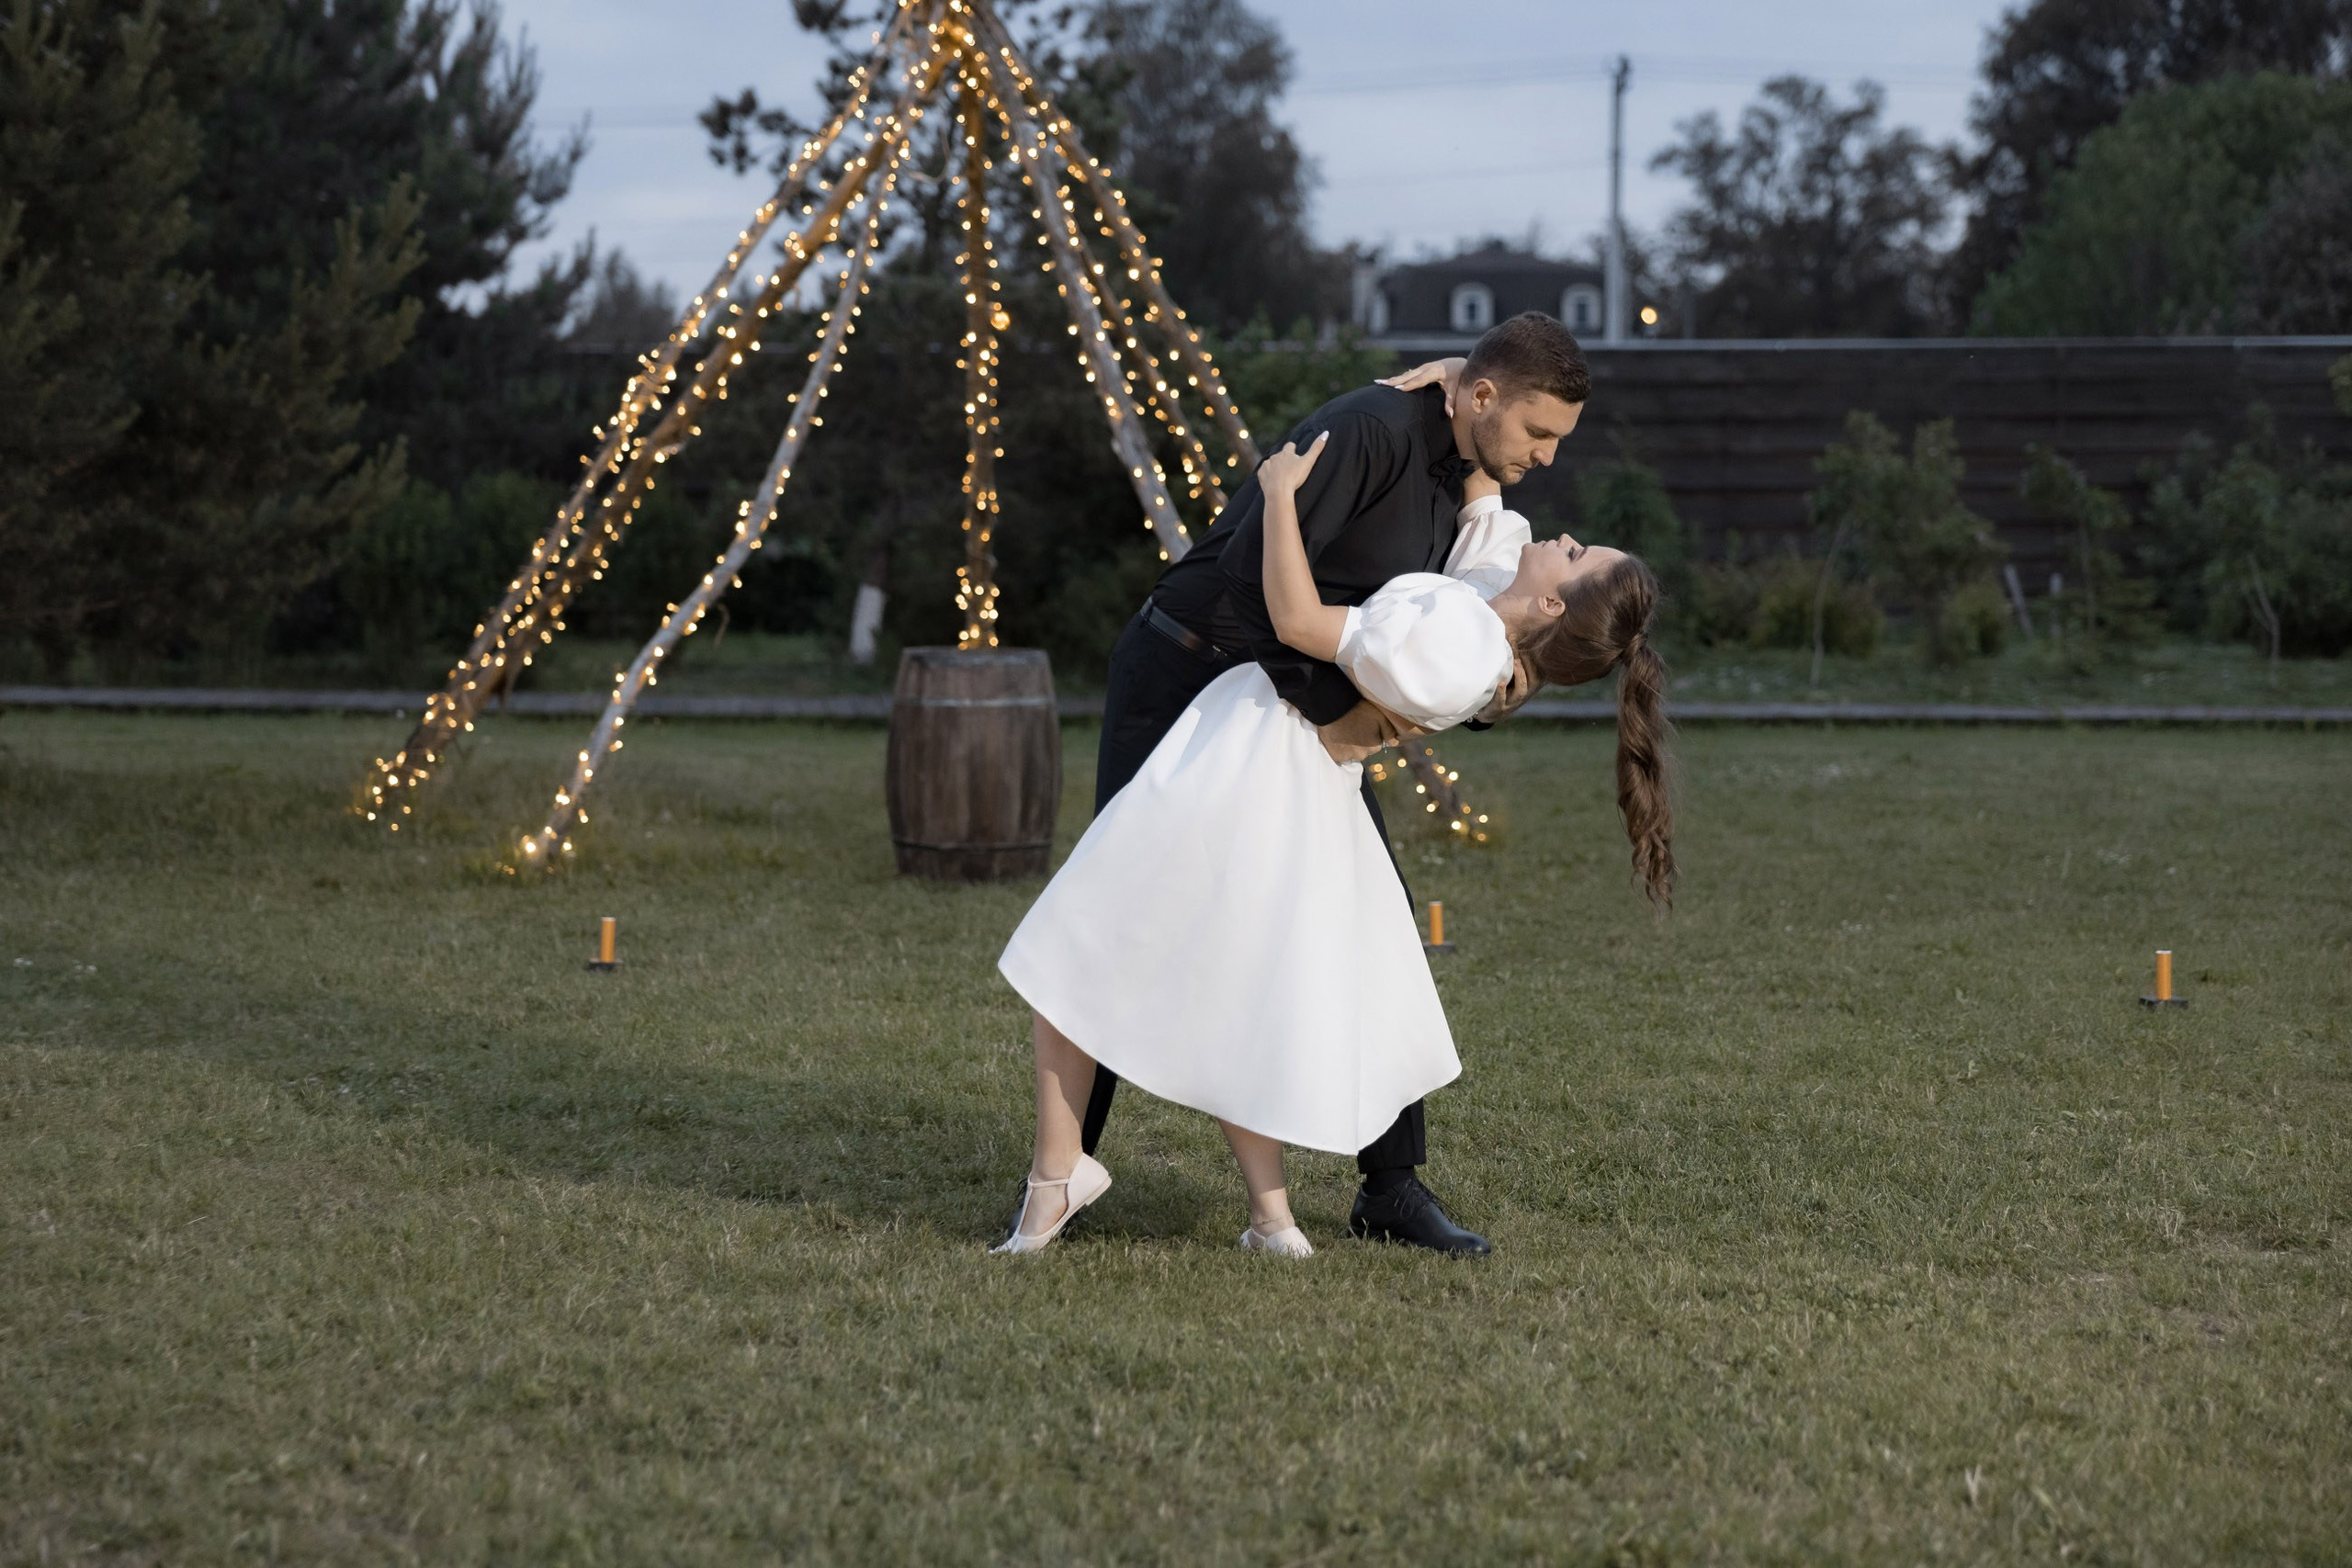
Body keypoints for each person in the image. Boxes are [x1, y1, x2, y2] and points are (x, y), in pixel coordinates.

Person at [990, 358, 1677, 1258]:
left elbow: (1298, 620)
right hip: (1224, 709)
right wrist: (1452, 373)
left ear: (1552, 599)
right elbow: (1485, 528)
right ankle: (1221, 1204)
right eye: (1537, 433)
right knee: (1192, 946)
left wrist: (1276, 497)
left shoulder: (1469, 626)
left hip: (1267, 745)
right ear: (1480, 400)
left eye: (1576, 549)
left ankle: (1082, 1175)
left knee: (1104, 927)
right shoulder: (1458, 542)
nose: (1548, 467)